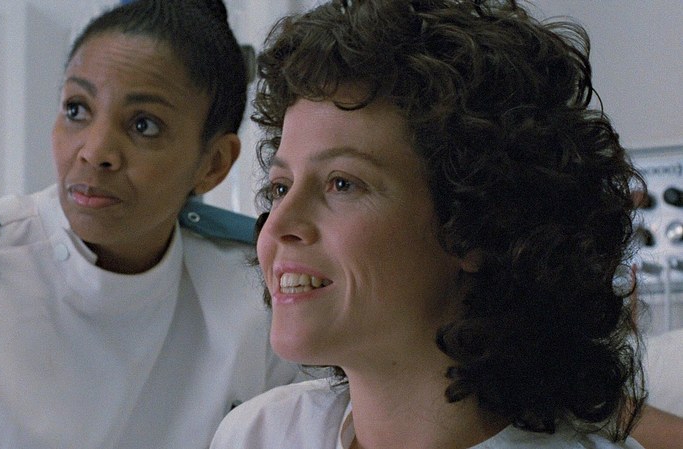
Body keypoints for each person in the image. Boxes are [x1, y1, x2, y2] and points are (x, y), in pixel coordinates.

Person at [0, 1, 297, 447]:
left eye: (144, 125)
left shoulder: (255, 284)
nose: (95, 151)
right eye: (77, 109)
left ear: (213, 164)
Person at [211, 0, 650, 448]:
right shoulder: (258, 435)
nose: (277, 225)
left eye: (342, 184)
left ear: (478, 225)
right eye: (281, 187)